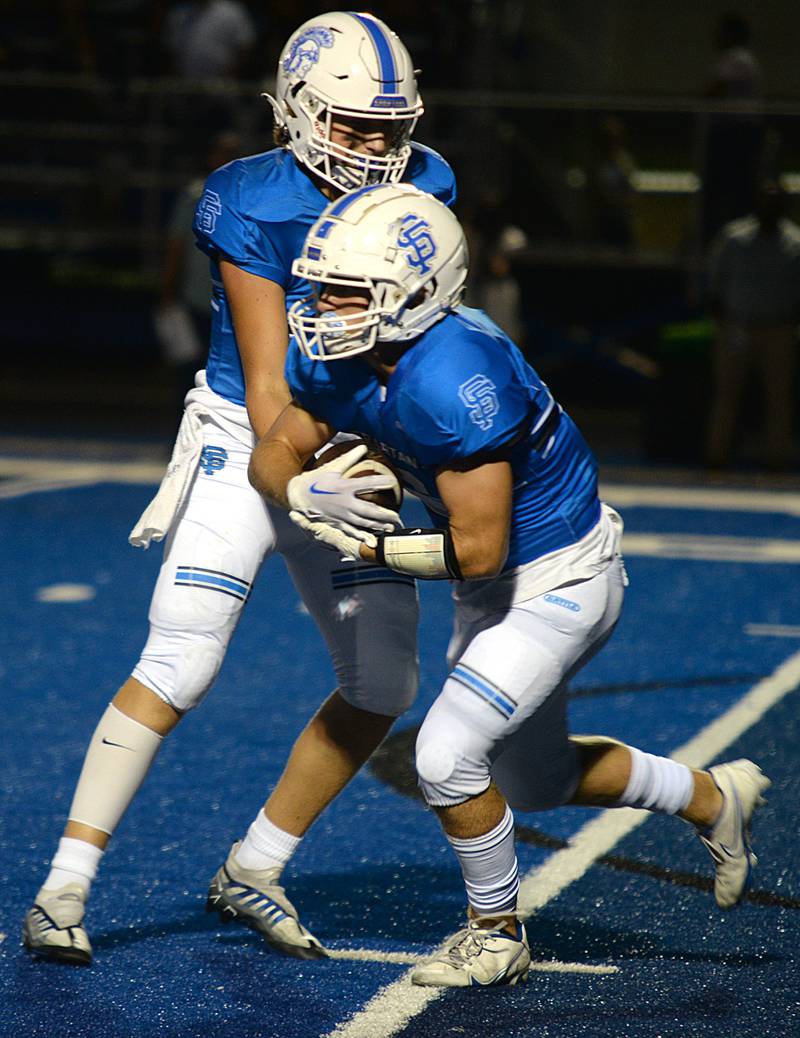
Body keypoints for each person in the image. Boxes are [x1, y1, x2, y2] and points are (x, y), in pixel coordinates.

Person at [249, 182, 771, 988]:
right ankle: (709, 798)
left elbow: (479, 550)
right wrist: (298, 490)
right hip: (498, 587)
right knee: (538, 780)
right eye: (322, 285)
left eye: (348, 290)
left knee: (447, 754)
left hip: (562, 575)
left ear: (416, 295)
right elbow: (276, 446)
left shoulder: (455, 377)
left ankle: (496, 933)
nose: (324, 305)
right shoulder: (348, 350)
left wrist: (374, 549)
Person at [23, 12, 455, 966]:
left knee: (386, 681)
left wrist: (408, 455)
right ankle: (64, 885)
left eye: (390, 126)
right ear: (295, 110)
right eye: (352, 125)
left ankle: (254, 866)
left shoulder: (429, 184)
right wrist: (301, 486)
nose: (378, 149)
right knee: (182, 658)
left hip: (355, 443)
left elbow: (423, 340)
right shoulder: (246, 199)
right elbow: (268, 391)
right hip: (246, 435)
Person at [705, 177, 800, 471]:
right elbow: (714, 282)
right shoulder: (735, 238)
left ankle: (777, 459)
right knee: (727, 395)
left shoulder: (795, 243)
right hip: (738, 327)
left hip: (778, 329)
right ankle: (716, 458)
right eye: (765, 199)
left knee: (779, 398)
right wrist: (723, 323)